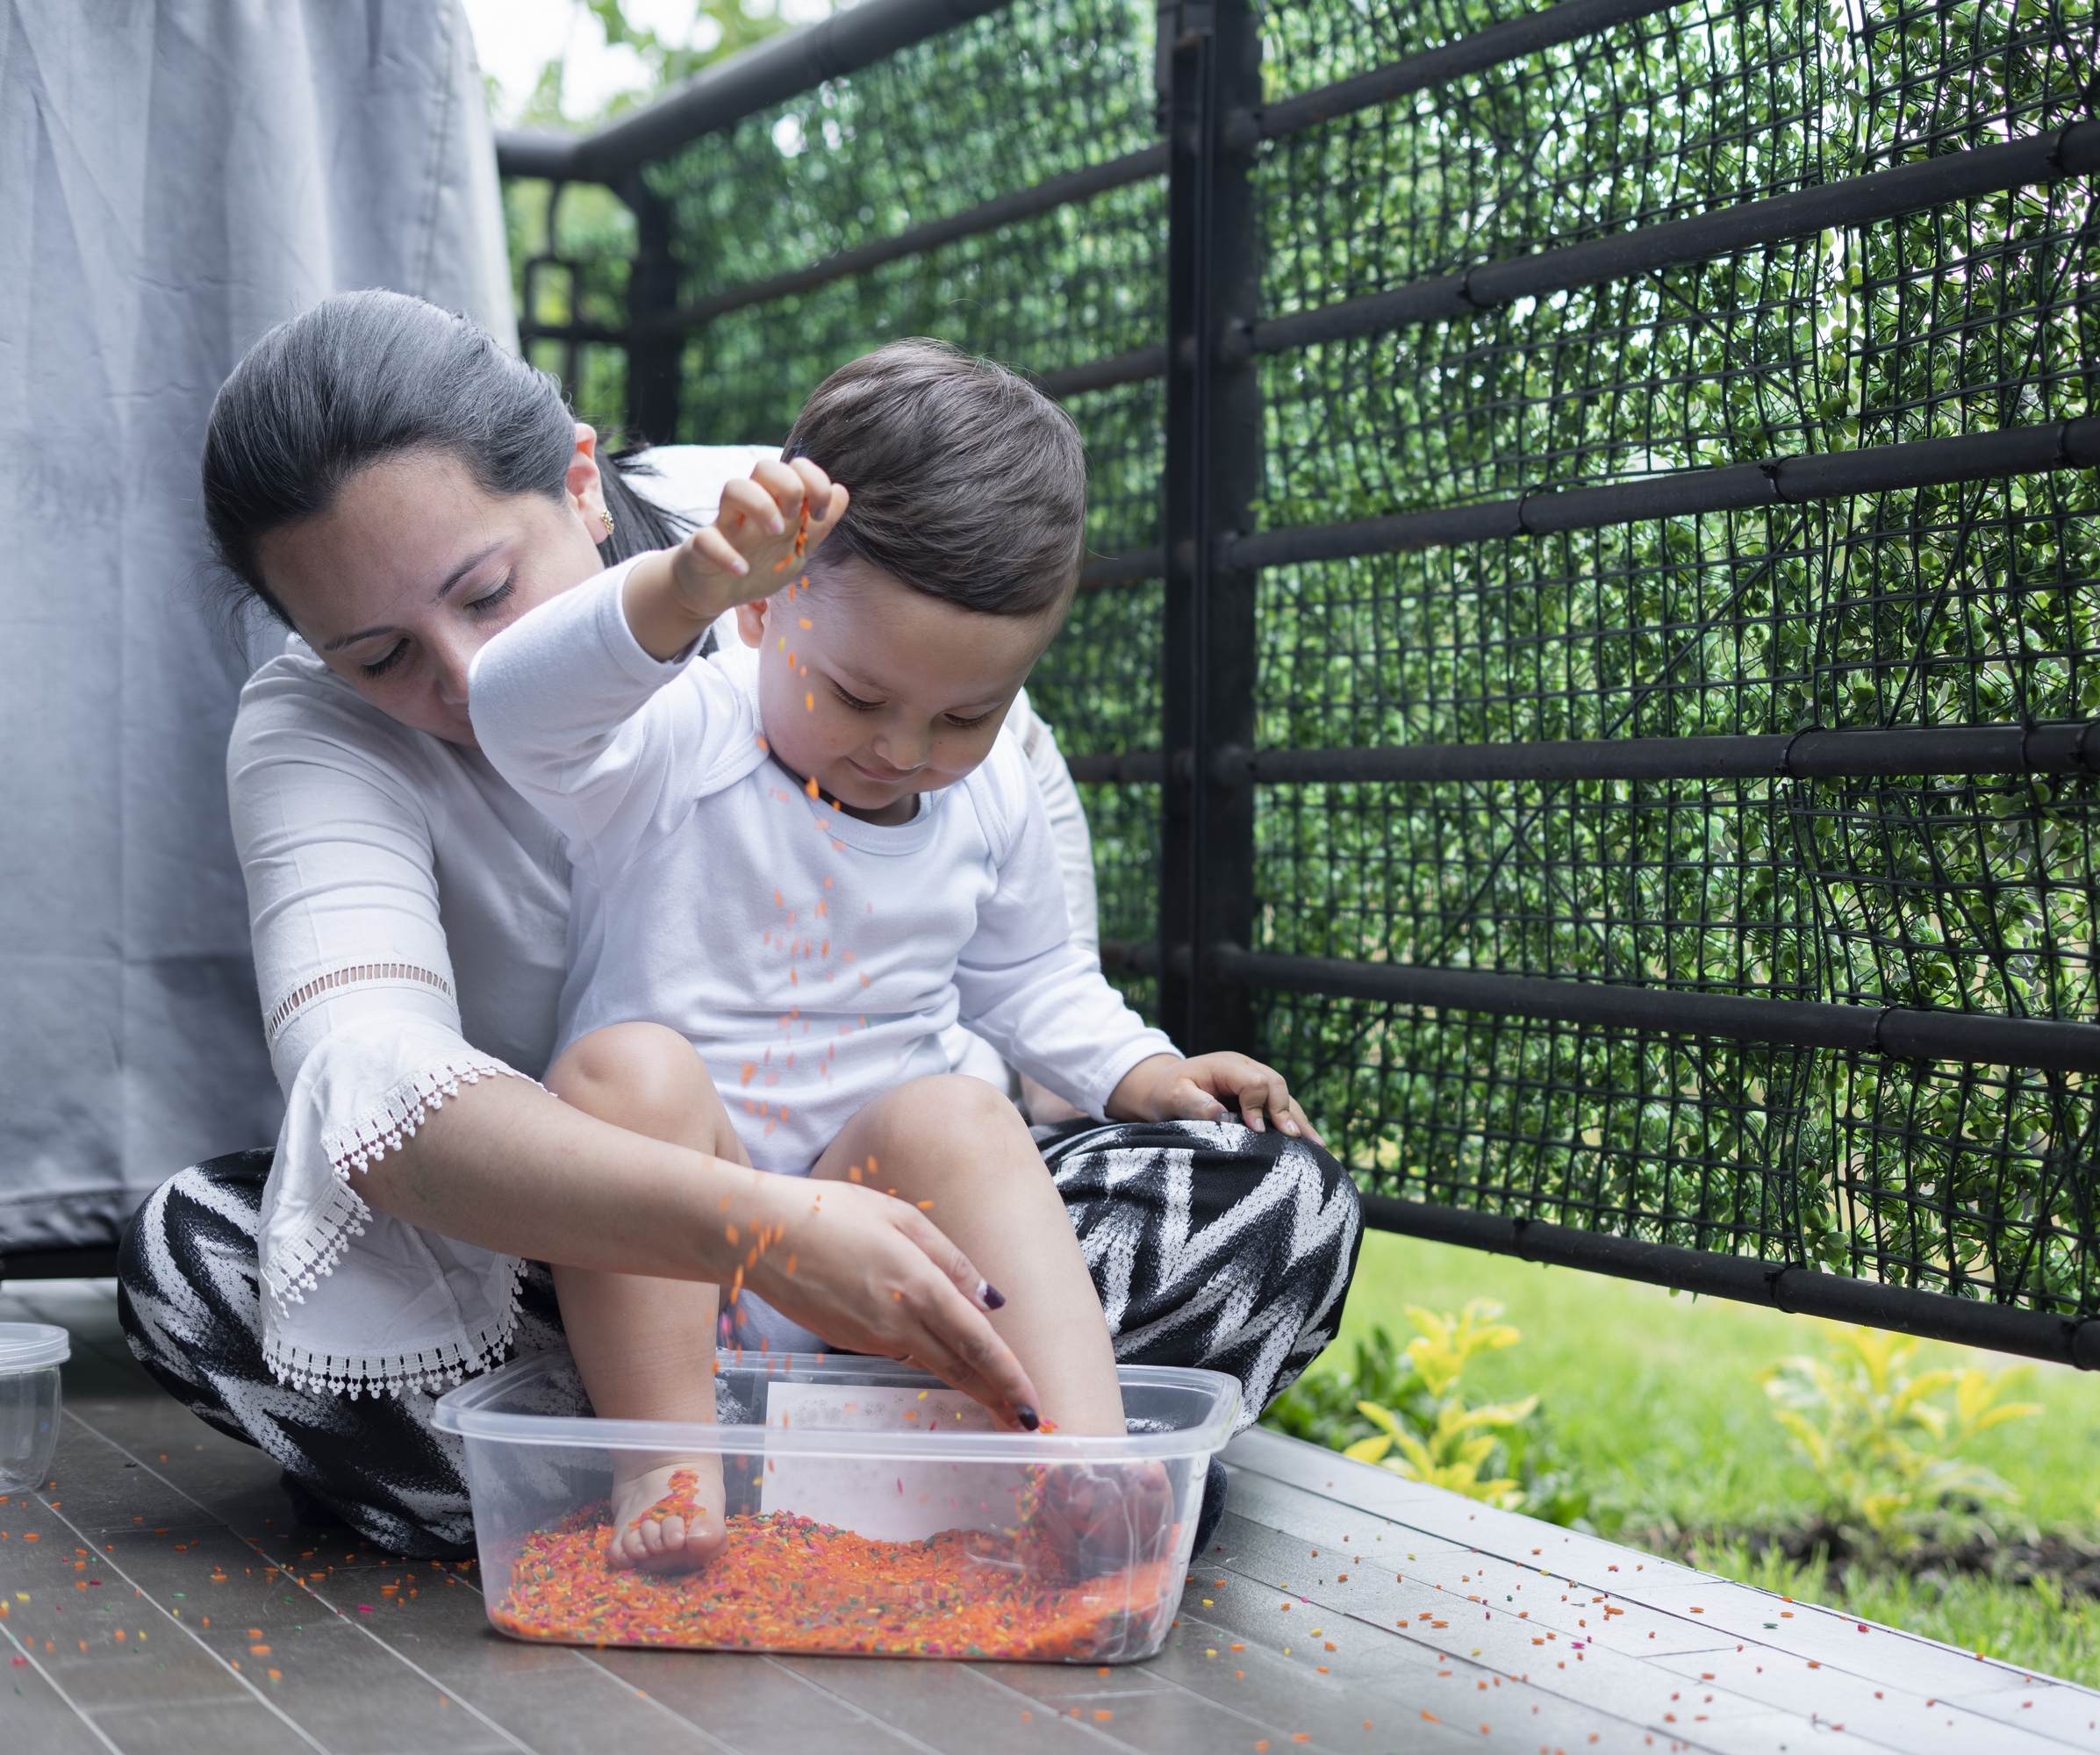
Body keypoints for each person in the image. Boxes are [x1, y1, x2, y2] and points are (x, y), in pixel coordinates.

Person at [116, 290, 1363, 1558]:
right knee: (197, 1262)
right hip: (597, 1274)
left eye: (488, 592)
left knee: (1276, 1202)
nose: (459, 675)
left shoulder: (791, 530)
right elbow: (370, 1101)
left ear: (581, 479)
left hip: (902, 1225)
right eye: (378, 654)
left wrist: (1121, 1074)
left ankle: (1033, 1462)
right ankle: (779, 1476)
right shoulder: (380, 720)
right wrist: (760, 1230)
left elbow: (983, 766)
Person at [465, 340, 1321, 1571]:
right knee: (622, 1076)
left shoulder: (990, 795)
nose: (908, 749)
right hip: (669, 1254)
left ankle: (1082, 1470)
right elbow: (515, 707)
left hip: (894, 1262)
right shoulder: (683, 734)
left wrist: (1142, 1074)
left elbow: (1031, 981)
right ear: (766, 610)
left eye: (969, 713)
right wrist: (686, 585)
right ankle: (668, 1472)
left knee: (966, 1117)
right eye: (860, 697)